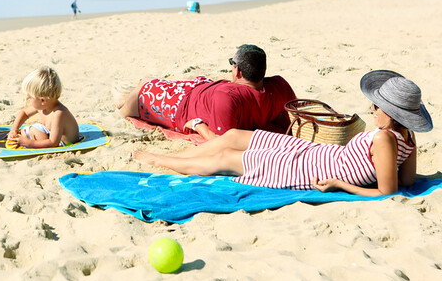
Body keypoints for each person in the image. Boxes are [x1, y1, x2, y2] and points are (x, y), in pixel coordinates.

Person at [134, 70, 433, 197]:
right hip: (316, 153)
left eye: (378, 105)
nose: (372, 107)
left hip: (312, 168)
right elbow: (408, 182)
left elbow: (389, 193)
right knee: (234, 135)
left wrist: (341, 184)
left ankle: (162, 162)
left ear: (392, 113)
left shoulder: (383, 138)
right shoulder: (407, 138)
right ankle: (171, 157)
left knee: (225, 157)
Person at [115, 44, 296, 140]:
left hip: (180, 106)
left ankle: (120, 98)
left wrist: (198, 126)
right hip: (198, 88)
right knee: (147, 82)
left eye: (232, 63)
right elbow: (293, 115)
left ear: (237, 71)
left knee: (141, 91)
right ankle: (124, 94)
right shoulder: (279, 84)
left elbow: (221, 140)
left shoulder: (228, 97)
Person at [8, 66, 79, 148]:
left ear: (43, 100)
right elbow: (24, 112)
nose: (27, 99)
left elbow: (53, 142)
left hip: (62, 143)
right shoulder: (43, 106)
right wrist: (14, 129)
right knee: (25, 131)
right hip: (50, 137)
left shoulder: (58, 113)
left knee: (35, 130)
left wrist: (29, 143)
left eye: (30, 97)